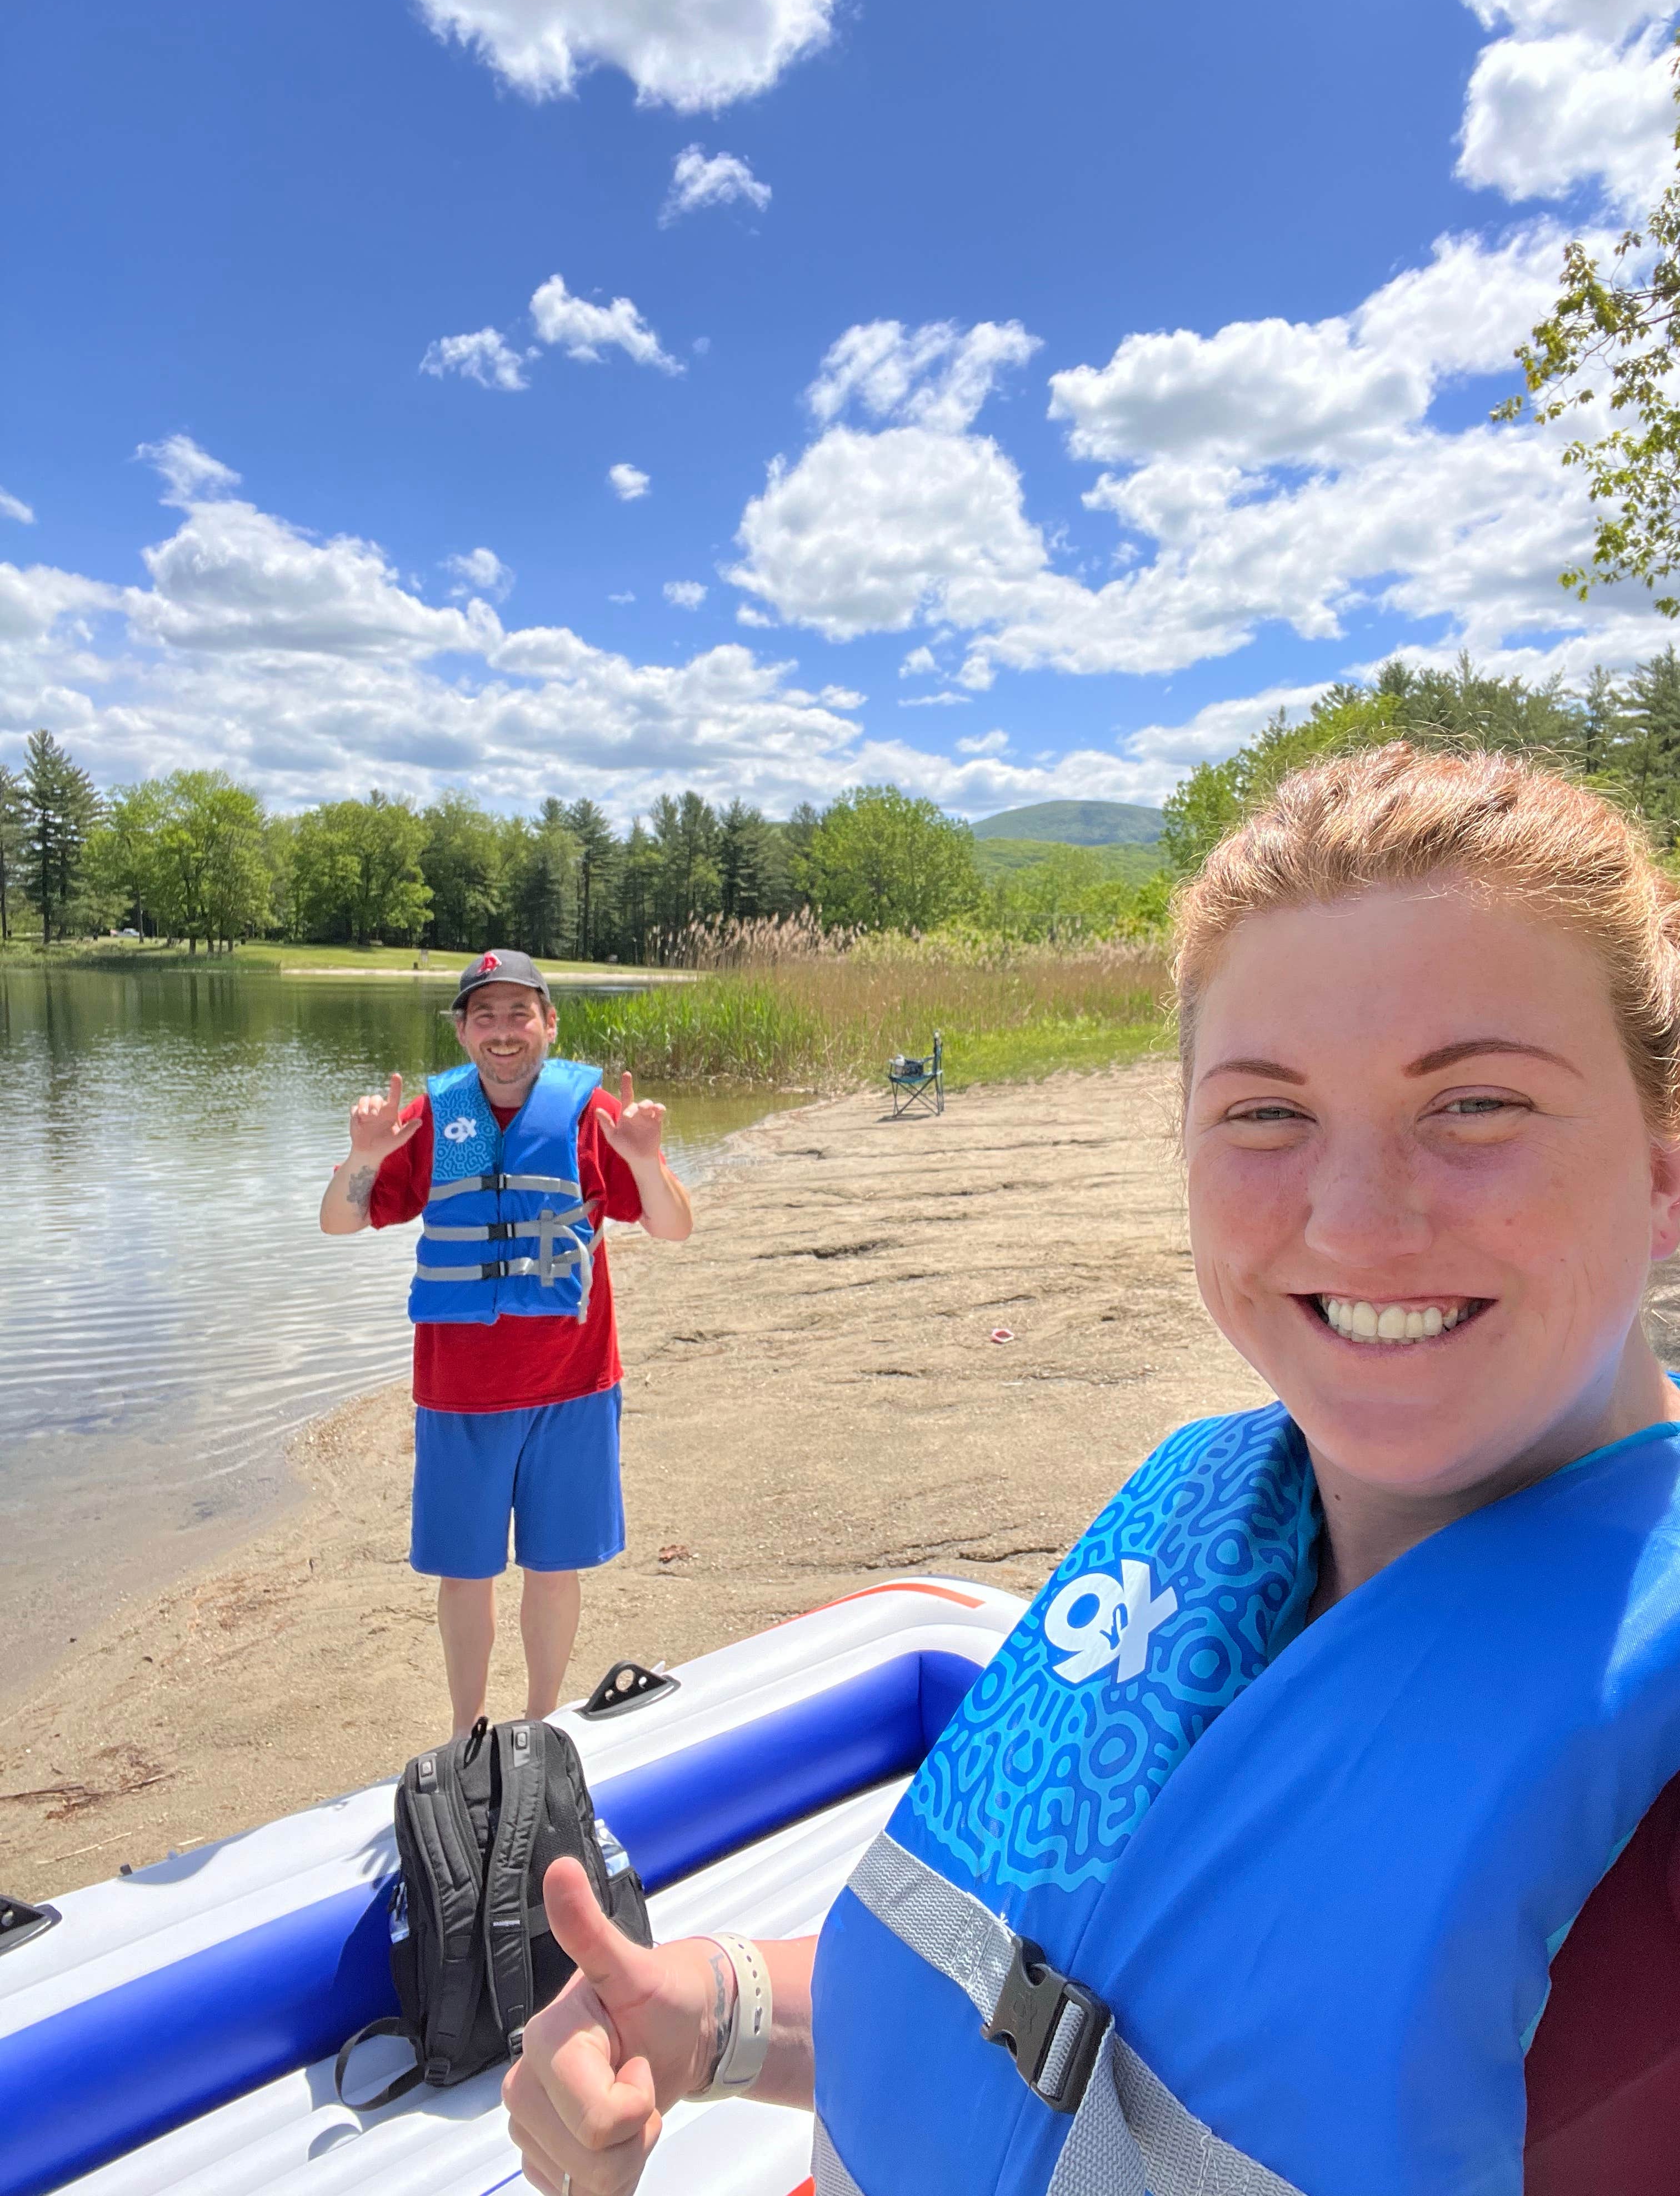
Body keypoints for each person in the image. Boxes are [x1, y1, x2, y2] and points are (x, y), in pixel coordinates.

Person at [501, 748, 1680, 2196]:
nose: (1363, 1226)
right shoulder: (1216, 1515)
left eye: (1477, 1104)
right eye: (1267, 1113)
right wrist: (722, 2011)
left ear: (1663, 1170)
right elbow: (1052, 2026)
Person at [320, 948, 693, 1734]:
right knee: (466, 1572)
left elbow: (672, 1227)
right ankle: (468, 1728)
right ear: (461, 1031)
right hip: (462, 1393)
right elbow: (340, 1220)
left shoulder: (593, 1118)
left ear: (549, 1024)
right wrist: (362, 1156)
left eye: (519, 1012)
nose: (503, 1031)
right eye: (483, 1015)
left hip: (576, 1385)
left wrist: (645, 1159)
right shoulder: (428, 1120)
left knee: (554, 1569)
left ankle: (539, 1722)